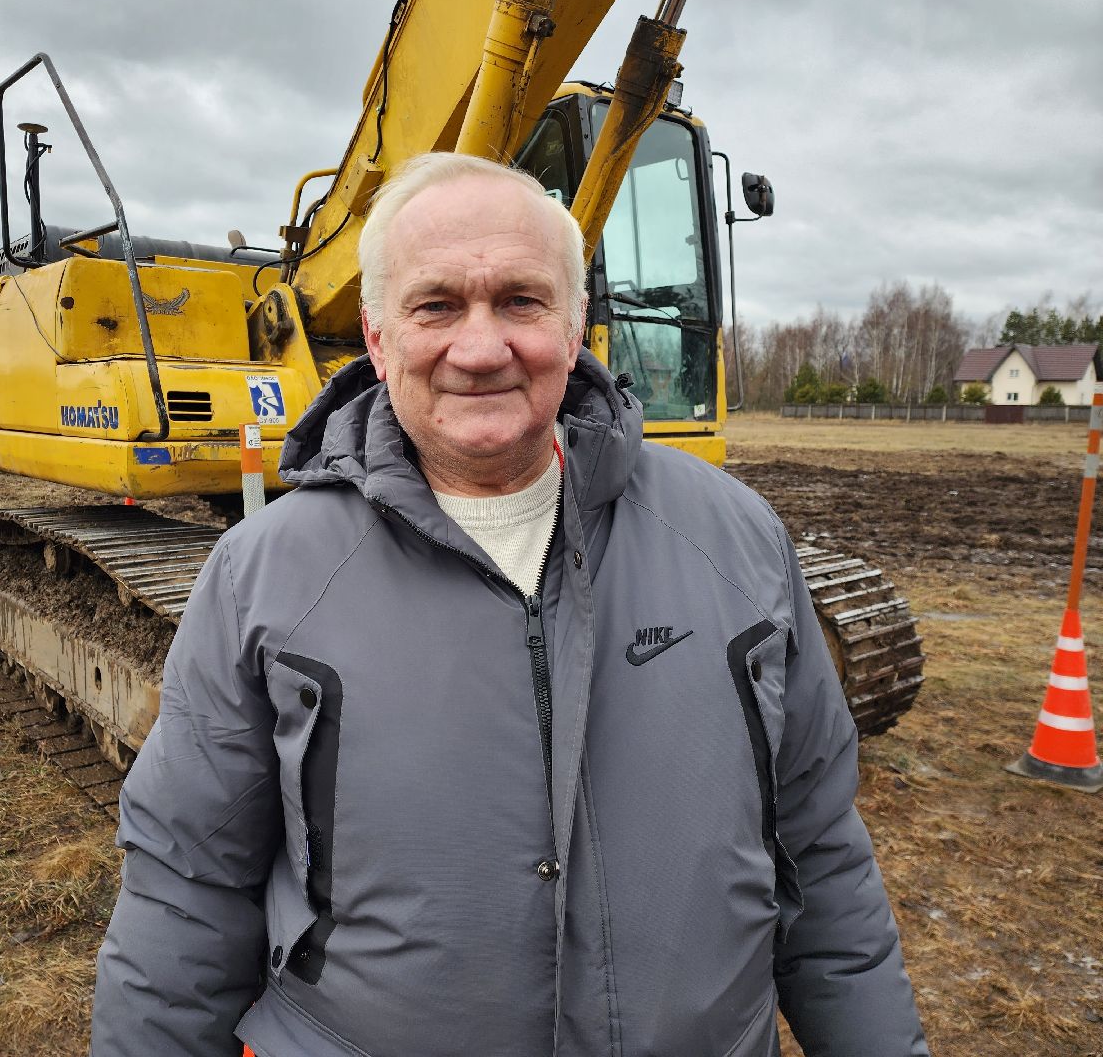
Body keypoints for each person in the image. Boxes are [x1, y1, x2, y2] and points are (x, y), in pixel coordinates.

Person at [91, 152, 928, 1056]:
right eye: (437, 304)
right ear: (376, 338)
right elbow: (187, 890)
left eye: (522, 302)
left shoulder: (734, 540)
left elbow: (823, 861)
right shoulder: (264, 575)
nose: (482, 348)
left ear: (574, 331)